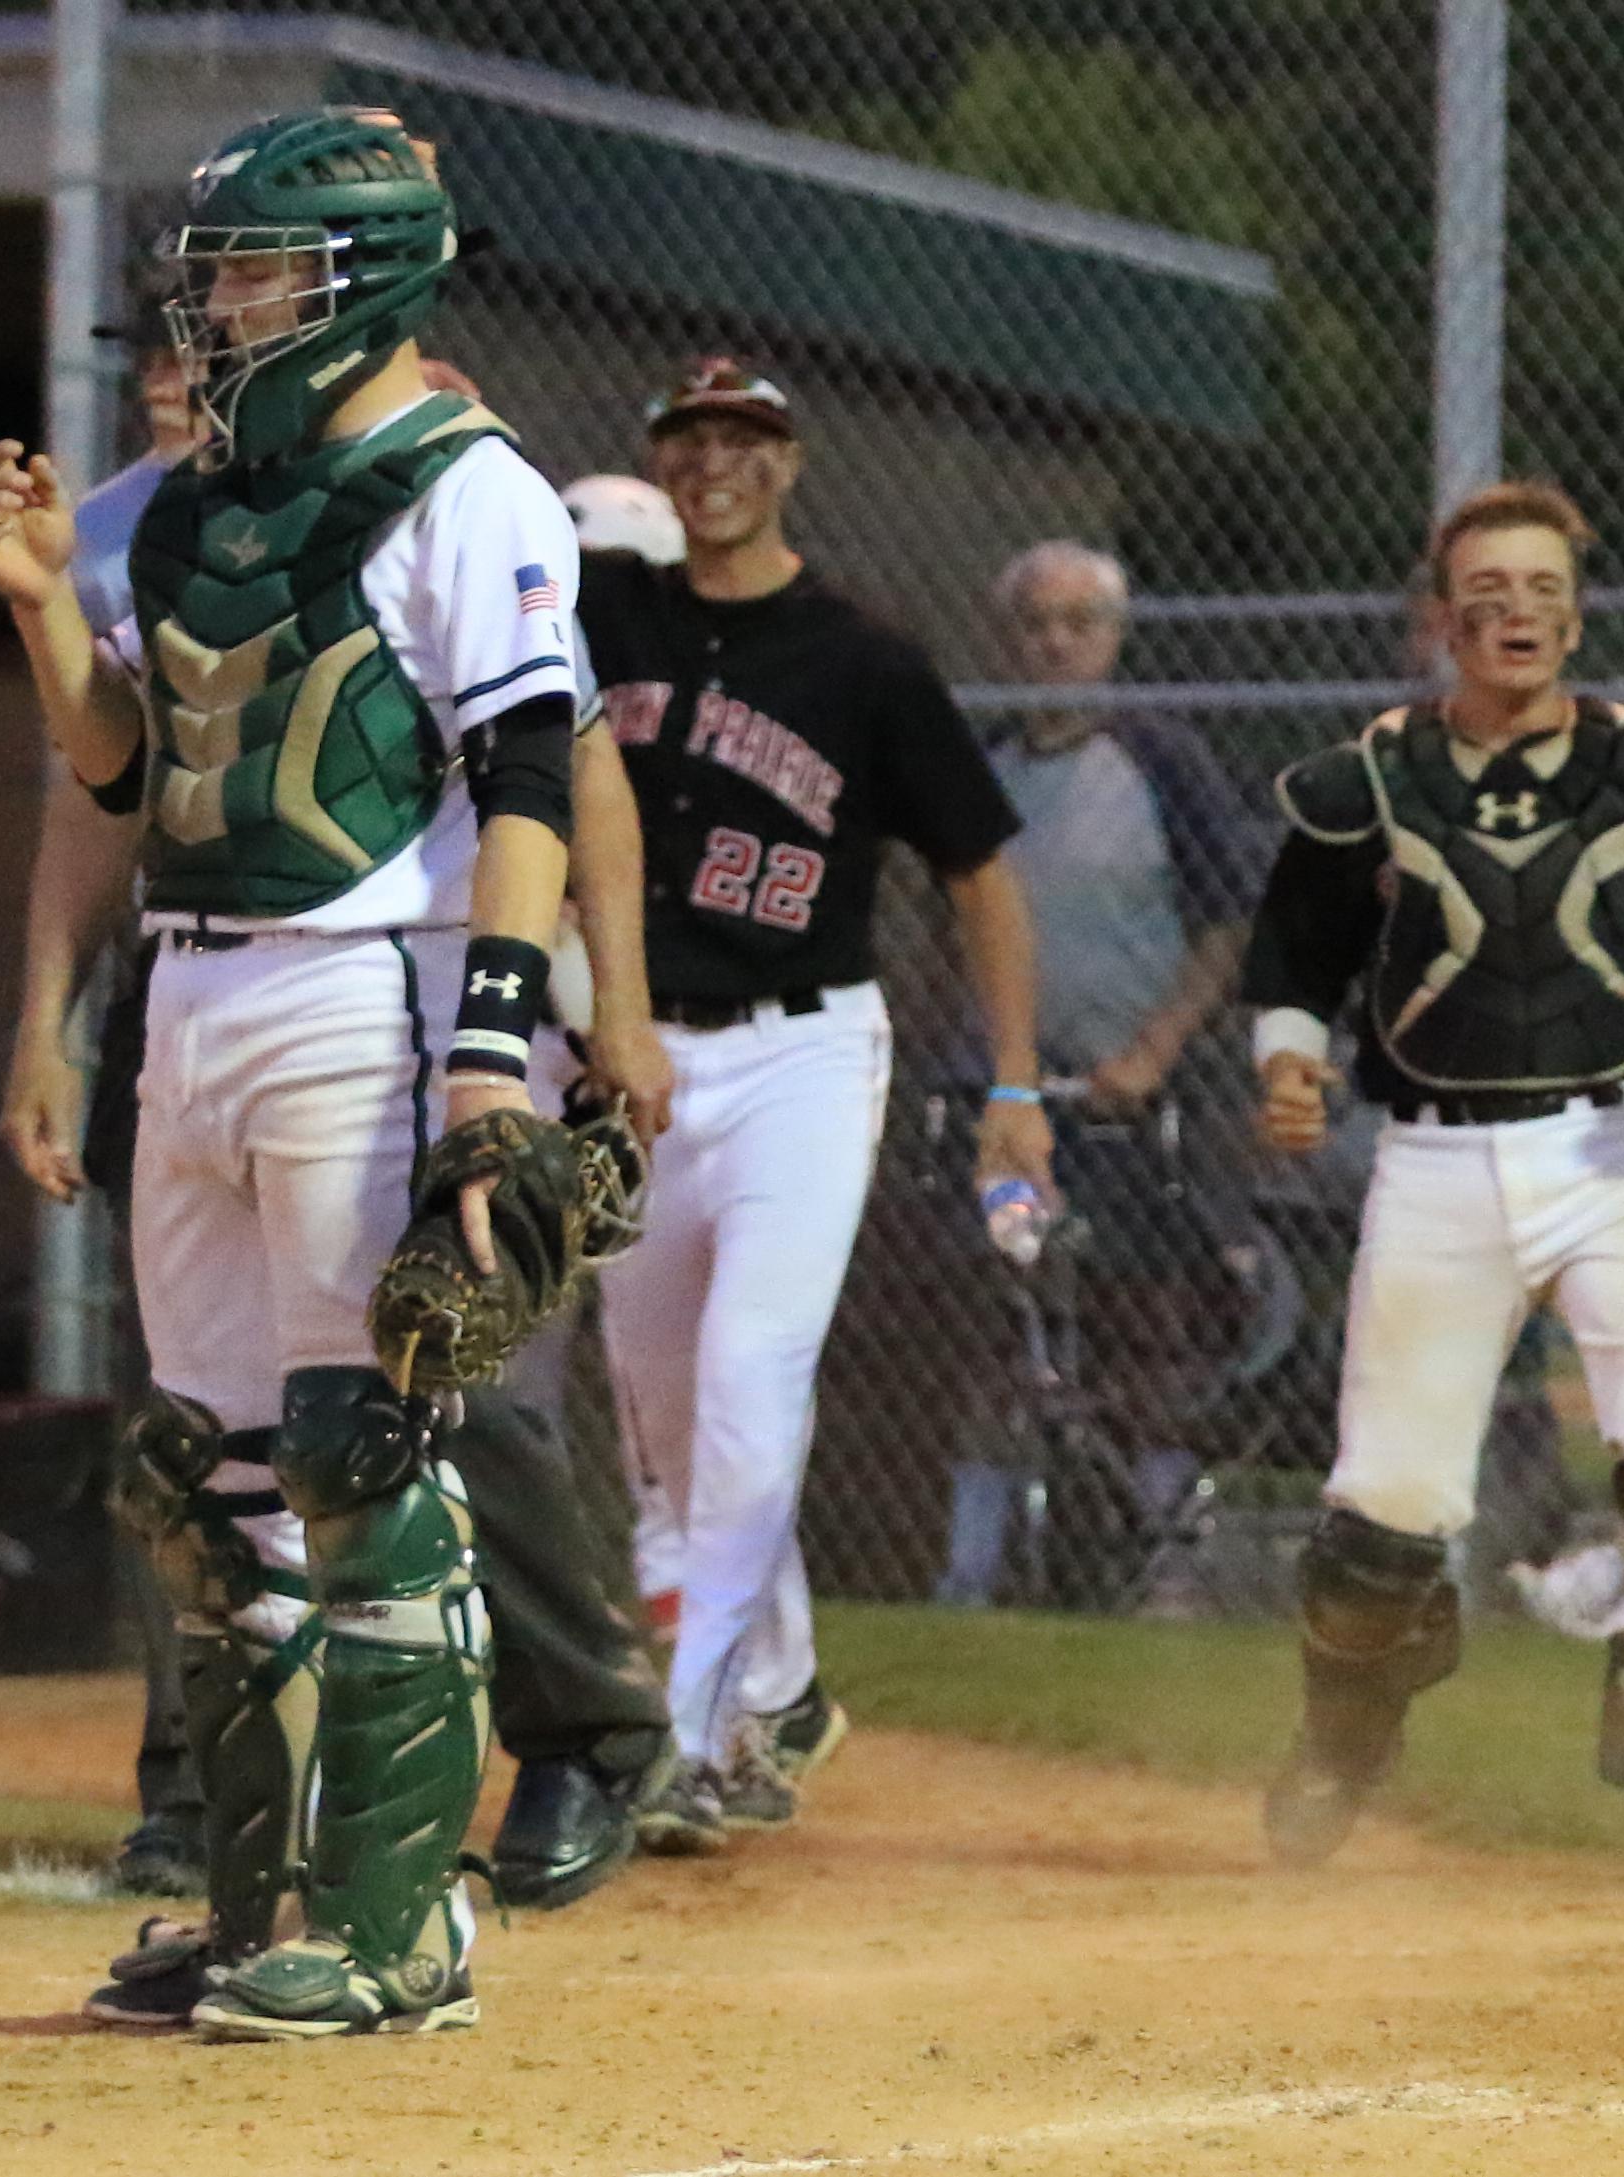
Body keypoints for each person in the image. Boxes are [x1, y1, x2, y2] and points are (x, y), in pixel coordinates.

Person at [0, 108, 585, 2037]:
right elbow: (132, 773)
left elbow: (535, 780)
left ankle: (407, 1927)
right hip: (197, 991)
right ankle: (260, 1908)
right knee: (200, 1471)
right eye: (216, 276)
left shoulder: (473, 487)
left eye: (252, 276)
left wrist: (493, 1060)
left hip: (361, 991)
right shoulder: (206, 497)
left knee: (357, 1450)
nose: (217, 313)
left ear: (363, 278)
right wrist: (44, 601)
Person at [1241, 479, 1624, 1884]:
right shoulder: (1375, 774)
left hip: (1611, 1151)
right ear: (1442, 618)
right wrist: (1286, 1059)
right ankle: (1341, 1743)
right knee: (1387, 1517)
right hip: (1436, 1161)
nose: (1519, 615)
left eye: (1544, 591)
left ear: (1577, 610)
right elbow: (1292, 953)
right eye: (1488, 592)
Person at [581, 357, 1050, 1854]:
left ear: (791, 464)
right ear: (658, 460)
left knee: (752, 1372)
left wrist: (1016, 1083)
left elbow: (979, 868)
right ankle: (776, 1686)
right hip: (631, 1057)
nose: (717, 459)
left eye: (746, 438)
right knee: (659, 1413)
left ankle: (708, 1728)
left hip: (801, 1052)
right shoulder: (603, 619)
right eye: (693, 436)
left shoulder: (863, 656)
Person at [929, 540, 1271, 1606]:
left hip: (1133, 1097)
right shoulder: (980, 765)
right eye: (1036, 623)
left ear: (1115, 638)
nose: (1057, 642)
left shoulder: (1163, 761)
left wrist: (1154, 1051)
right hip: (1013, 1098)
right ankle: (972, 1566)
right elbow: (953, 930)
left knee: (1146, 1319)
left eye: (1081, 622)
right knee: (1002, 1317)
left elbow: (1225, 925)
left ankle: (1165, 1550)